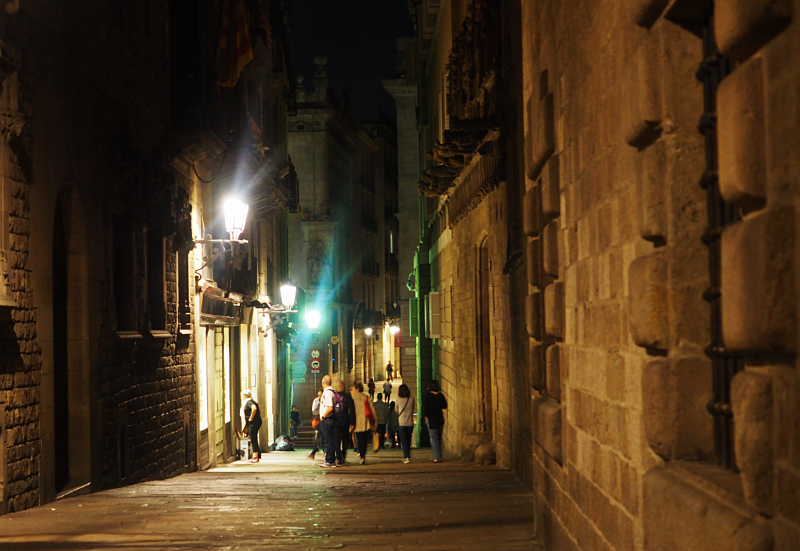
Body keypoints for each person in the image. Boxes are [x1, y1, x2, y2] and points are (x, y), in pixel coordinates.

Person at [422, 380, 448, 463]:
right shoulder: (440, 396)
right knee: (438, 438)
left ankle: (437, 457)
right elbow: (444, 406)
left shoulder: (428, 396)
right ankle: (439, 456)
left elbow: (425, 408)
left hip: (431, 419)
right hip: (439, 419)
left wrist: (425, 418)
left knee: (434, 438)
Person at [350, 382, 376, 464]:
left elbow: (350, 411)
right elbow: (372, 411)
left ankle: (360, 453)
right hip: (365, 421)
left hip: (356, 421)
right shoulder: (367, 398)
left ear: (357, 389)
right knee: (364, 440)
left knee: (358, 438)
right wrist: (375, 421)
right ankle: (363, 455)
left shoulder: (352, 398)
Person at [333, 380, 356, 466]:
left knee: (337, 440)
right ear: (343, 387)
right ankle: (343, 455)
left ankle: (338, 457)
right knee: (345, 439)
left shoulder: (334, 396)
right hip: (345, 421)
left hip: (335, 421)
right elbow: (352, 409)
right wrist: (352, 422)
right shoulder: (348, 396)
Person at [318, 375, 337, 467]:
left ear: (323, 382)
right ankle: (330, 459)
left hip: (327, 419)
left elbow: (330, 407)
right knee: (328, 440)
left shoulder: (328, 392)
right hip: (328, 419)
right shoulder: (330, 391)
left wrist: (323, 416)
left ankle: (330, 460)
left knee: (329, 440)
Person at [395, 384, 415, 463]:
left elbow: (396, 410)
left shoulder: (398, 399)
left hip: (401, 422)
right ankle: (408, 454)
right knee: (408, 439)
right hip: (409, 422)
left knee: (403, 440)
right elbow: (413, 408)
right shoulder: (411, 398)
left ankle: (406, 456)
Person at [241, 390, 262, 463]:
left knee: (253, 438)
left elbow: (254, 408)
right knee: (253, 437)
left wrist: (251, 418)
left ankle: (255, 457)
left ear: (245, 396)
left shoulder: (249, 402)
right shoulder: (251, 401)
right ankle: (256, 454)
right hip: (254, 422)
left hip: (253, 423)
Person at [309, 390, 324, 460]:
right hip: (318, 419)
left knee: (320, 436)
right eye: (319, 394)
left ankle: (314, 452)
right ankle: (316, 451)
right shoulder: (316, 400)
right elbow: (314, 410)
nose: (319, 395)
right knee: (319, 436)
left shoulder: (325, 400)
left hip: (323, 419)